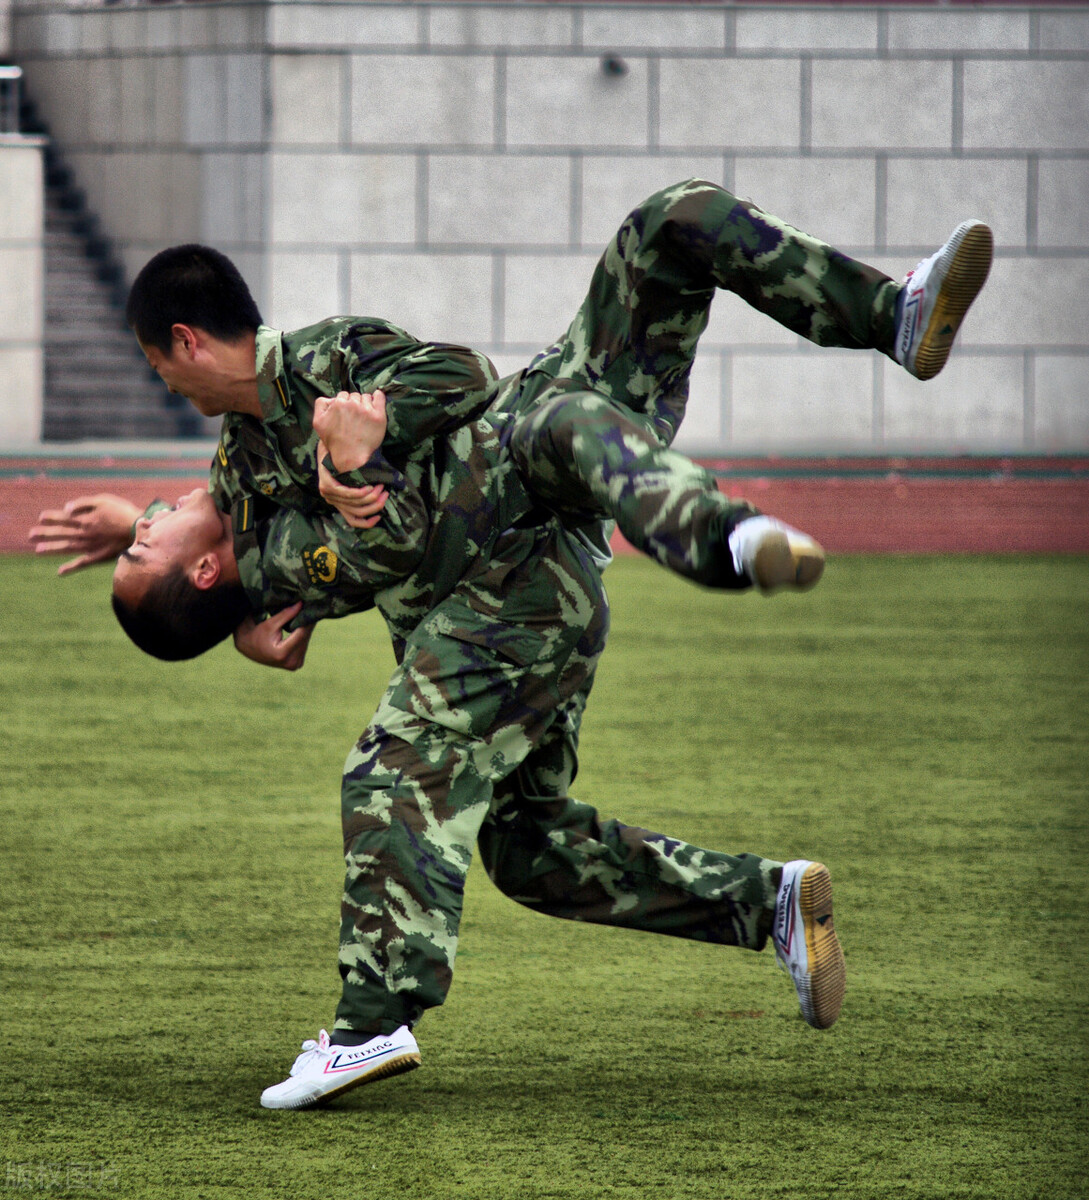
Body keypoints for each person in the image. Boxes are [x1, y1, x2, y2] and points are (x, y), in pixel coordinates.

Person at [30, 179, 992, 1106]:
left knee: (672, 223)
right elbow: (320, 548)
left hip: (532, 460)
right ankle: (728, 570)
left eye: (154, 362)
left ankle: (884, 326)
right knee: (470, 806)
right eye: (154, 537)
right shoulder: (257, 503)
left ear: (188, 340)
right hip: (509, 588)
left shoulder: (324, 361)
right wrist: (345, 469)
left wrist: (164, 520)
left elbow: (458, 377)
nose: (157, 384)